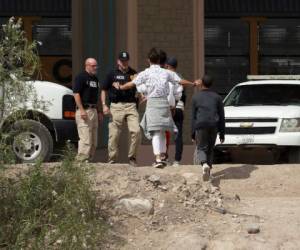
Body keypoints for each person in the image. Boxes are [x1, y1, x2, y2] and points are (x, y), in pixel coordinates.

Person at [113, 48, 196, 168]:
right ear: (159, 60)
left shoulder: (145, 73)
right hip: (164, 104)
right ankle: (162, 156)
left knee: (155, 132)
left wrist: (120, 87)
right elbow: (180, 81)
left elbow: (131, 84)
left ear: (148, 60)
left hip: (152, 104)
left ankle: (158, 158)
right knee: (161, 131)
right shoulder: (166, 72)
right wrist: (192, 83)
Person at [101, 51, 140, 166]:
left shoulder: (134, 73)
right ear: (118, 61)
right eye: (122, 61)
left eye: (126, 60)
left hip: (131, 105)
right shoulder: (111, 73)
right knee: (114, 134)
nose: (124, 63)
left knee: (136, 131)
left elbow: (139, 89)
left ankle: (132, 157)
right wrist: (104, 105)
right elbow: (104, 89)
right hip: (116, 106)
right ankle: (112, 158)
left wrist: (141, 95)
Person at [191, 75, 225, 181]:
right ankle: (208, 171)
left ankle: (204, 164)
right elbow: (222, 116)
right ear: (211, 84)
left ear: (201, 83)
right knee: (210, 149)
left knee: (201, 148)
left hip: (201, 125)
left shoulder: (195, 97)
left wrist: (192, 132)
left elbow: (193, 117)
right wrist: (222, 133)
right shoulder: (217, 97)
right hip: (213, 125)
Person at [73, 58, 102, 162]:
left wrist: (99, 111)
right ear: (87, 65)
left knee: (94, 141)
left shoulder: (95, 79)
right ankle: (80, 162)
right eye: (93, 66)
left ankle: (88, 161)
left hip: (93, 110)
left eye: (96, 66)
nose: (96, 68)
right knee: (86, 139)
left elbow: (96, 96)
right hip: (84, 110)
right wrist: (81, 110)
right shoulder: (81, 77)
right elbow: (76, 94)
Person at [165, 57, 185, 167]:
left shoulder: (165, 75)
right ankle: (177, 160)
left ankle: (165, 158)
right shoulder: (180, 76)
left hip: (168, 107)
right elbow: (184, 95)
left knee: (164, 133)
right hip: (179, 107)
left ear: (167, 66)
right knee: (178, 134)